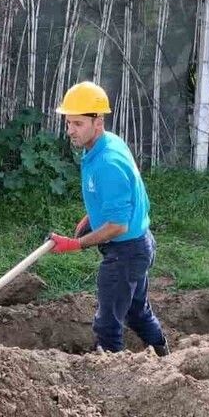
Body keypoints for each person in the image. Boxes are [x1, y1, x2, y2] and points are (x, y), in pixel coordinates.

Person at [47, 81, 169, 356]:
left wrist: (75, 244)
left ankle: (110, 371)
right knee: (136, 311)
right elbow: (116, 201)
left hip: (125, 252)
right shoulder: (104, 144)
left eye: (77, 124)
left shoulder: (108, 162)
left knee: (107, 322)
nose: (70, 131)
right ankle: (164, 356)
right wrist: (93, 215)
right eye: (68, 123)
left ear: (97, 122)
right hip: (139, 244)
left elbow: (117, 225)